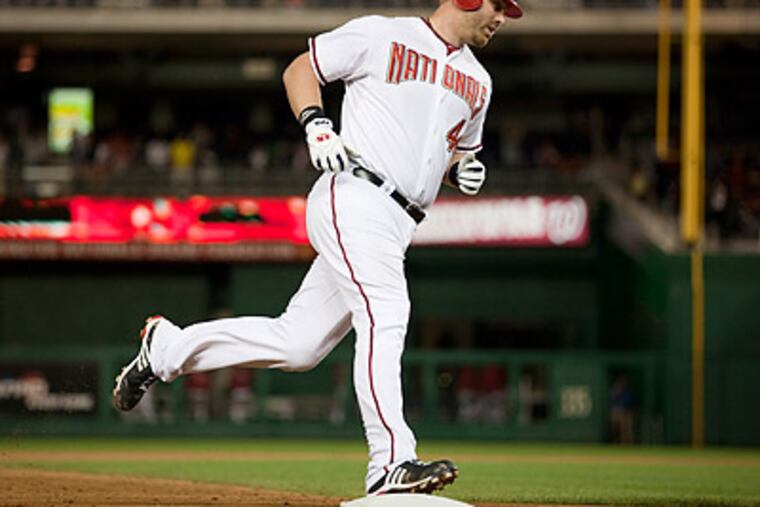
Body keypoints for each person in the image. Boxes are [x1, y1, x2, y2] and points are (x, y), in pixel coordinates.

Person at [112, 0, 522, 496]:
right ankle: (390, 460)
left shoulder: (480, 82)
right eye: (500, 5)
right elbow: (301, 68)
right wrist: (315, 122)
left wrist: (461, 170)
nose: (504, 17)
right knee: (387, 311)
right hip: (355, 194)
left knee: (298, 344)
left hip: (400, 221)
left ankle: (166, 349)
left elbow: (458, 148)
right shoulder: (381, 35)